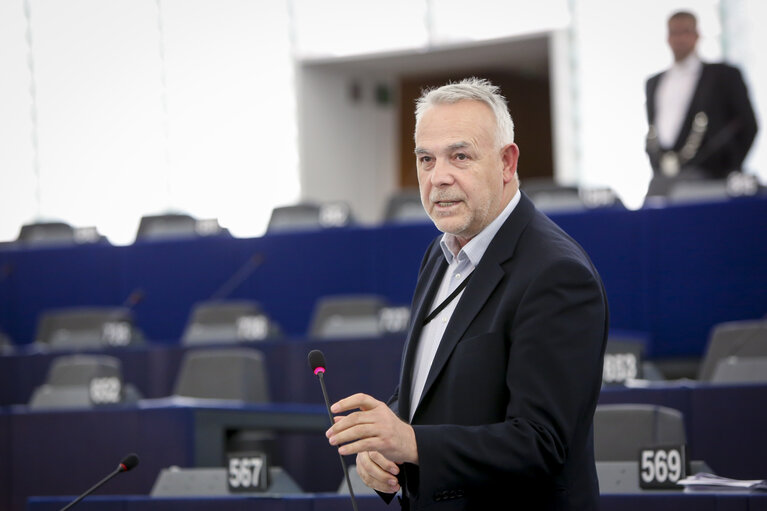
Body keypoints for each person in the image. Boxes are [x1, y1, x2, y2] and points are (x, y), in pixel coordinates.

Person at [325, 78, 608, 510]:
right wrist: (383, 451)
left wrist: (411, 441)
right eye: (425, 159)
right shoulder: (439, 255)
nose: (438, 177)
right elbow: (432, 391)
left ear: (507, 163)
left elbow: (542, 444)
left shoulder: (557, 274)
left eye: (460, 156)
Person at [645, 10, 758, 180]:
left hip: (711, 176)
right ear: (668, 38)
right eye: (674, 33)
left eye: (685, 32)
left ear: (697, 35)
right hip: (663, 177)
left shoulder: (722, 75)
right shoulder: (654, 83)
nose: (679, 39)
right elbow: (654, 130)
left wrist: (727, 169)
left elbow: (748, 124)